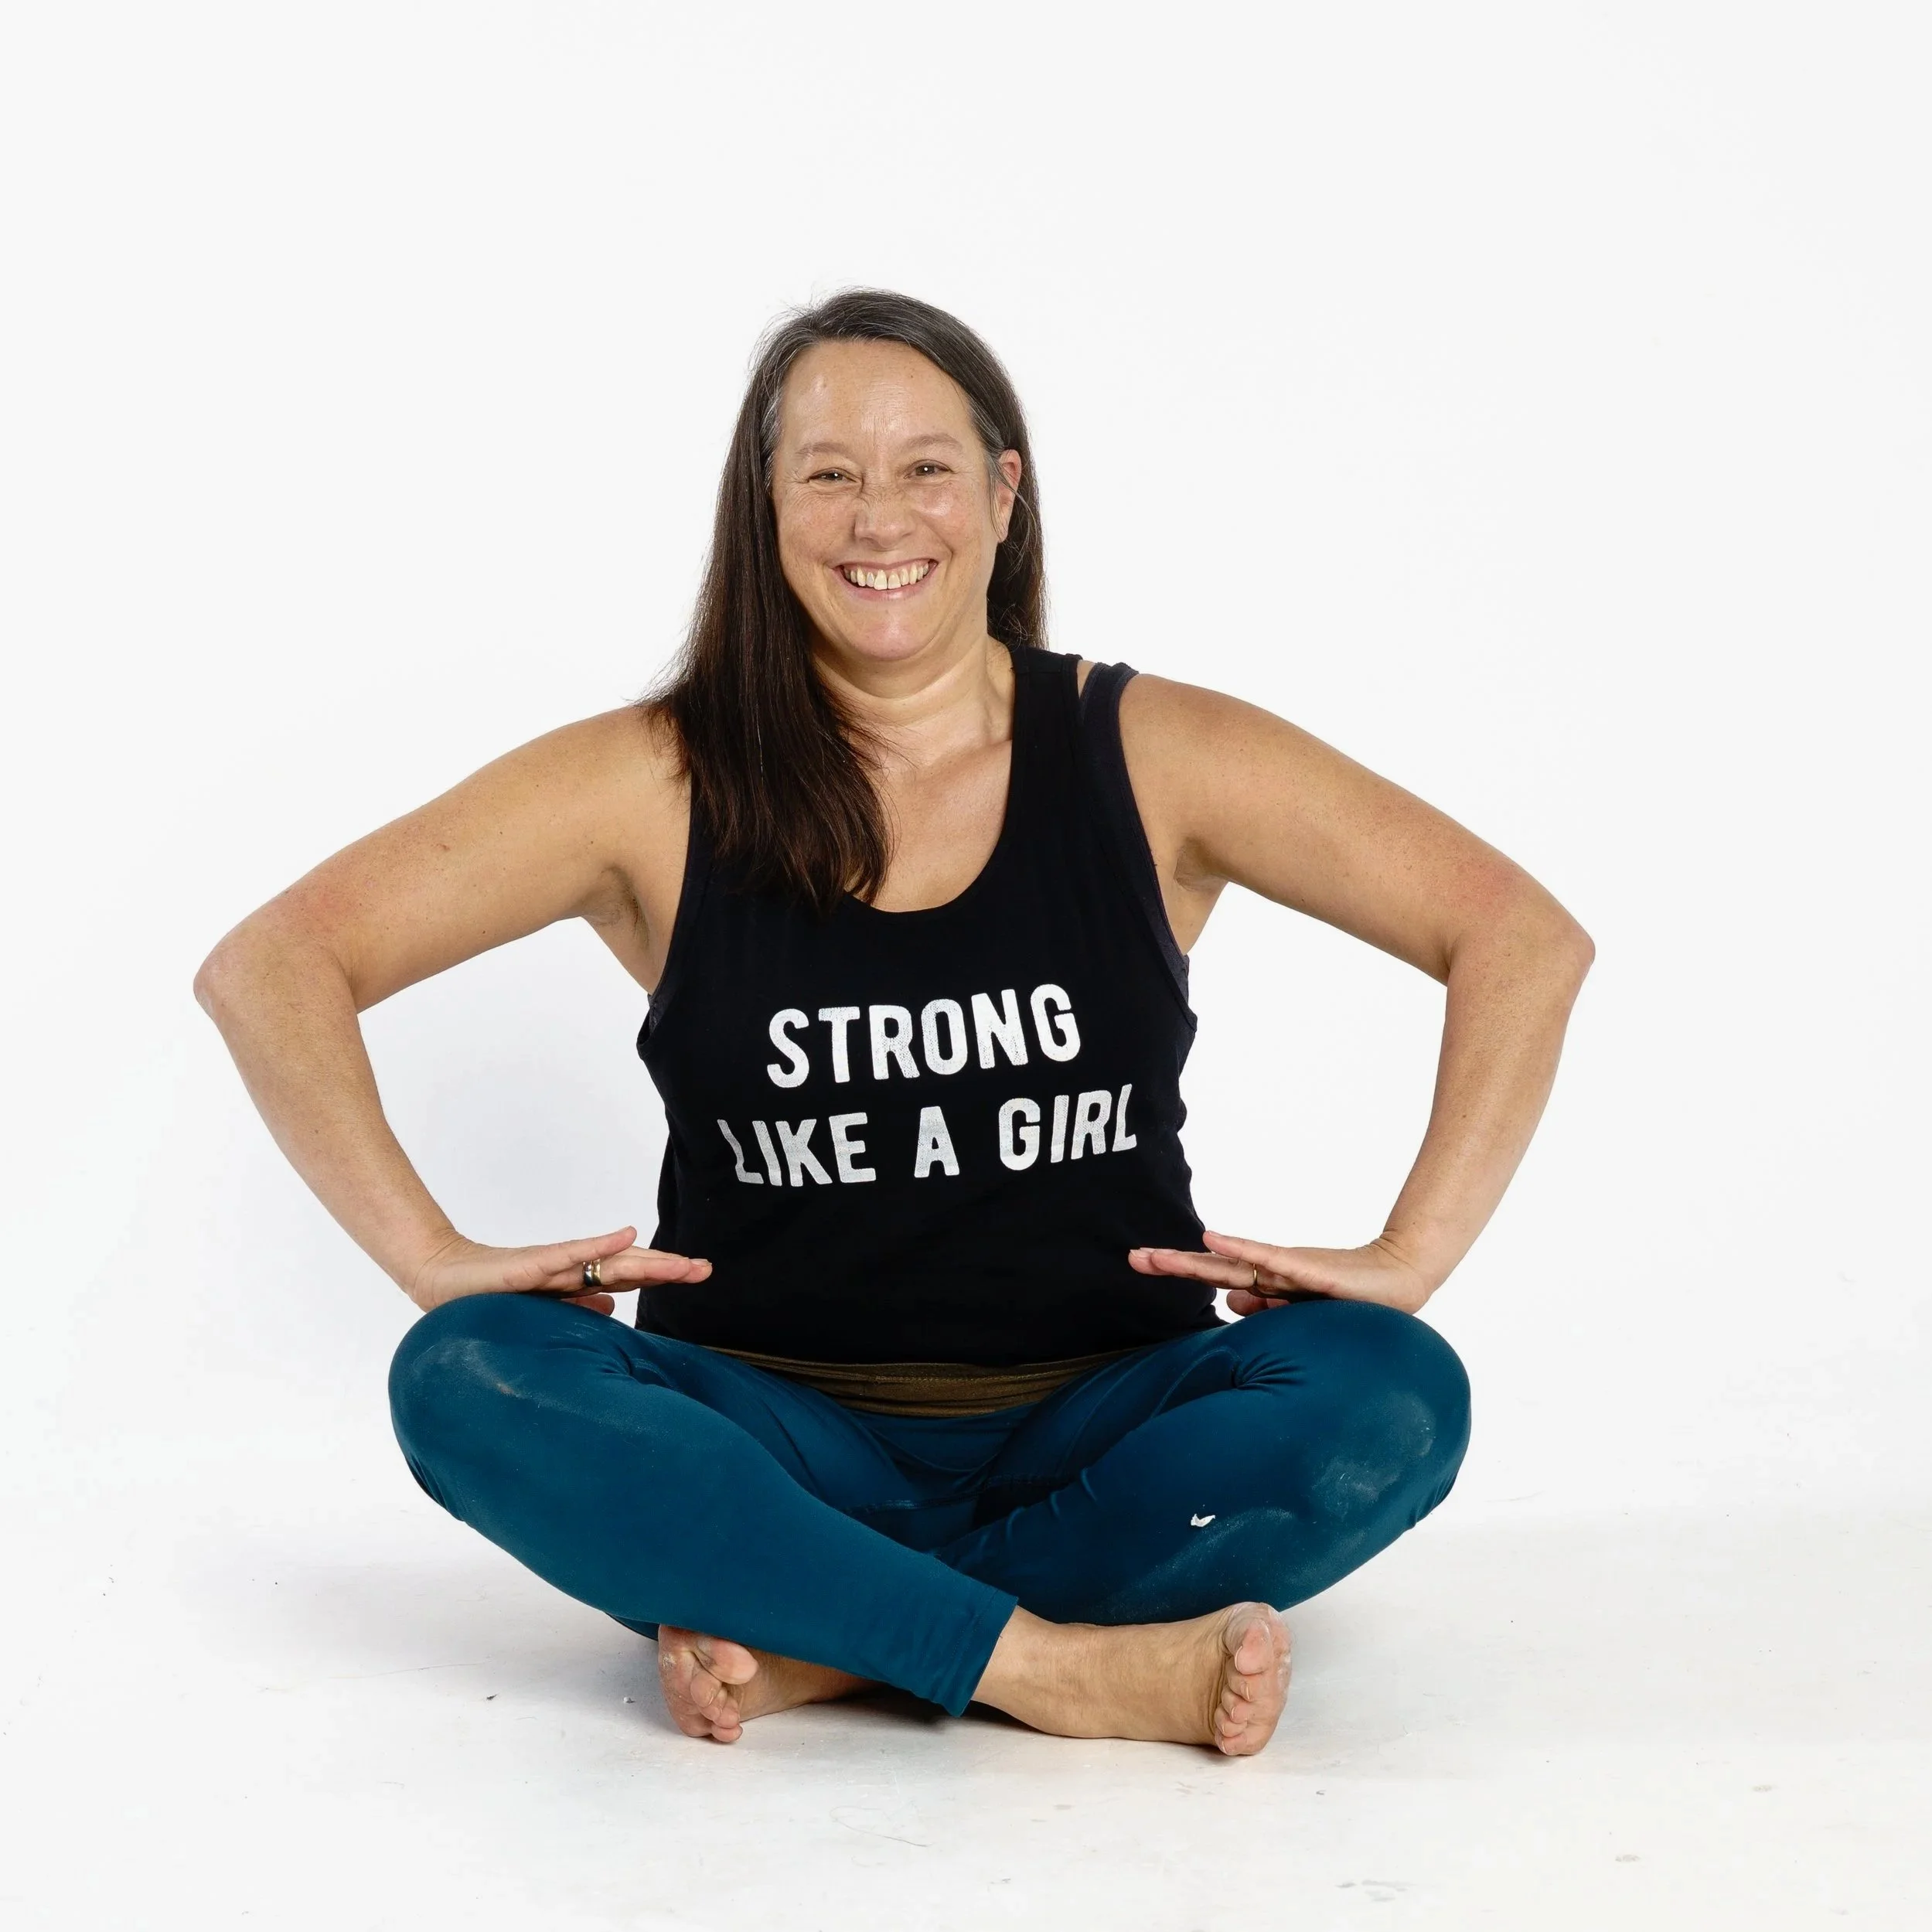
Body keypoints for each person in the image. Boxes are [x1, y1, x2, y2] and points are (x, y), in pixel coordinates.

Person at [194, 289, 1591, 1758]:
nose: (879, 517)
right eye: (828, 472)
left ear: (1002, 492)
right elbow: (274, 963)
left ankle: (822, 1640)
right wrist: (430, 1256)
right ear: (766, 505)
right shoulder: (647, 781)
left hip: (1108, 1424)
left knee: (1391, 1391)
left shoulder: (1151, 752)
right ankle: (1053, 1667)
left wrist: (1409, 1254)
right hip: (767, 1437)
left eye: (926, 466)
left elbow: (1515, 934)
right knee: (466, 1372)